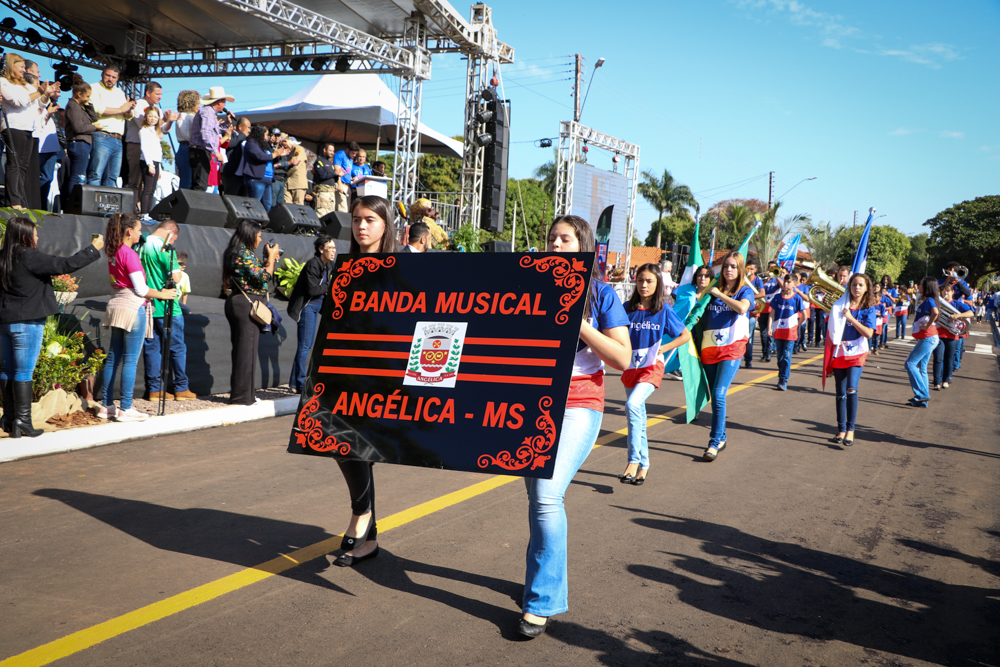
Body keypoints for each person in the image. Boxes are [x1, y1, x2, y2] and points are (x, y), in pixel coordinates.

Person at [519, 215, 631, 639]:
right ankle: (538, 587)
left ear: (583, 245)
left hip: (579, 404)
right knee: (537, 501)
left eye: (565, 239)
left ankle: (542, 602)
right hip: (532, 406)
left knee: (547, 496)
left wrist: (575, 320)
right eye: (551, 239)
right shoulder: (531, 288)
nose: (555, 245)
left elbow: (622, 358)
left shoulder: (601, 293)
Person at [329, 196, 399, 571]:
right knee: (343, 445)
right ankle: (367, 531)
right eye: (356, 220)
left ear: (385, 224)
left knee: (360, 447)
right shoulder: (345, 268)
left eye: (370, 220)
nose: (362, 227)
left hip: (382, 373)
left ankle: (361, 517)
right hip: (342, 369)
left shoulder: (399, 268)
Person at [0, 218, 102, 437]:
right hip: (27, 322)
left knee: (7, 370)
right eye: (35, 234)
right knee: (23, 371)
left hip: (5, 322)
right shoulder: (29, 256)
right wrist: (93, 249)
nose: (38, 238)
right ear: (25, 235)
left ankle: (9, 419)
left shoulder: (3, 257)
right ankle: (23, 421)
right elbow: (64, 265)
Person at [98, 214, 178, 422]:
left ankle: (106, 406)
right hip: (133, 308)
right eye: (139, 230)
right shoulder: (129, 254)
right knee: (130, 360)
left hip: (117, 305)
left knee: (114, 357)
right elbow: (141, 289)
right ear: (129, 232)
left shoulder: (113, 252)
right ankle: (125, 407)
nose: (141, 233)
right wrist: (163, 294)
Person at [619, 263, 690, 485]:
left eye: (649, 281)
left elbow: (684, 336)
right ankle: (645, 465)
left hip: (652, 368)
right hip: (631, 368)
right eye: (640, 280)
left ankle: (632, 460)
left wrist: (664, 348)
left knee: (632, 406)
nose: (644, 285)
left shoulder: (664, 310)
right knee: (637, 418)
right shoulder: (626, 309)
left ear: (658, 283)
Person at [696, 250, 754, 461]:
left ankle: (713, 442)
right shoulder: (712, 289)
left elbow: (741, 309)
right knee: (714, 395)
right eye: (726, 266)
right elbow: (697, 312)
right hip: (710, 348)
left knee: (719, 394)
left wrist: (719, 295)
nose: (729, 270)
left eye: (733, 266)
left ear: (740, 270)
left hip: (732, 348)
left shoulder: (744, 291)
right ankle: (721, 436)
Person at [222, 220, 280, 406]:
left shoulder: (237, 252)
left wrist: (267, 262)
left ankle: (245, 395)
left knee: (244, 352)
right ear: (250, 234)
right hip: (245, 305)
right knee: (246, 353)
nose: (260, 239)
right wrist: (271, 258)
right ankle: (242, 398)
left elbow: (254, 276)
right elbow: (264, 277)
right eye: (259, 235)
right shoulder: (242, 253)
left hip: (239, 302)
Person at [139, 220, 195, 401]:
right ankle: (181, 388)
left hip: (147, 303)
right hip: (168, 306)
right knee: (177, 347)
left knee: (152, 347)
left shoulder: (141, 245)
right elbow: (177, 278)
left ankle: (155, 389)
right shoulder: (166, 248)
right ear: (172, 234)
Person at [825, 273, 877, 446]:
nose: (857, 288)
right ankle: (840, 430)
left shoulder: (869, 308)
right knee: (840, 394)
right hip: (840, 352)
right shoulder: (840, 304)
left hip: (858, 353)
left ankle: (850, 431)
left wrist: (850, 318)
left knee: (851, 389)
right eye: (854, 284)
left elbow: (869, 333)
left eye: (861, 285)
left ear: (866, 288)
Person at [1, 53, 56, 208]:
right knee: (15, 164)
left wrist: (46, 94)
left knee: (23, 166)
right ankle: (13, 202)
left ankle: (19, 199)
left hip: (28, 128)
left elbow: (39, 104)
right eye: (21, 67)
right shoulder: (3, 82)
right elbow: (18, 101)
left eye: (25, 67)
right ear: (12, 66)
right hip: (14, 126)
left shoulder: (25, 85)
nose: (24, 70)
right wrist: (40, 92)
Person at [287, 234, 337, 394]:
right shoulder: (313, 265)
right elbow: (313, 290)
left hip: (318, 308)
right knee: (305, 346)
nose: (333, 251)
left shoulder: (328, 265)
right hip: (307, 308)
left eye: (335, 248)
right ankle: (301, 384)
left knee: (306, 346)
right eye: (330, 248)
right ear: (321, 249)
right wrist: (331, 284)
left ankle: (294, 383)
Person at [124, 81, 176, 208]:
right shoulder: (139, 105)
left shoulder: (157, 109)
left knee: (148, 184)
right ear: (148, 93)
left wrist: (169, 121)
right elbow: (144, 124)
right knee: (135, 180)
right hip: (136, 145)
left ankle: (143, 211)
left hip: (152, 151)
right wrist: (161, 120)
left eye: (161, 94)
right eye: (157, 94)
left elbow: (161, 130)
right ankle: (130, 209)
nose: (160, 97)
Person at [87, 65, 136, 187]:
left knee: (112, 177)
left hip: (118, 139)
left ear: (117, 79)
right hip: (102, 135)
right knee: (96, 174)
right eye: (108, 75)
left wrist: (129, 108)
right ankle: (91, 205)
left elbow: (128, 116)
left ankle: (107, 206)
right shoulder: (94, 88)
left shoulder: (119, 92)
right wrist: (121, 109)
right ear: (102, 74)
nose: (110, 79)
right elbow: (96, 109)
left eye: (113, 77)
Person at [903, 277, 941, 408]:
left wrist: (928, 325)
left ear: (927, 287)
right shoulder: (928, 300)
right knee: (922, 368)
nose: (918, 286)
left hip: (928, 338)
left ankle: (922, 394)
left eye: (921, 284)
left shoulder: (930, 300)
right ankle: (922, 400)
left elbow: (935, 313)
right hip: (930, 338)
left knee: (909, 364)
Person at [189, 86, 234, 191]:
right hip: (200, 151)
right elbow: (206, 132)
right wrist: (215, 152)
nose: (224, 105)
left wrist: (227, 123)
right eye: (224, 102)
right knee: (200, 184)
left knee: (200, 183)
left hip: (200, 151)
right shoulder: (208, 112)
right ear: (219, 102)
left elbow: (214, 130)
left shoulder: (210, 113)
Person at [767, 272, 807, 390]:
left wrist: (797, 325)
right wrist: (769, 327)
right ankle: (781, 375)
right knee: (779, 357)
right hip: (779, 331)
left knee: (786, 356)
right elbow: (771, 314)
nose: (785, 284)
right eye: (785, 281)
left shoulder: (796, 298)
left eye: (789, 282)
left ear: (794, 284)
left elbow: (804, 315)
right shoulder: (778, 297)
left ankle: (783, 380)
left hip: (791, 333)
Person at [931, 283, 973, 390]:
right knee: (938, 358)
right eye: (944, 291)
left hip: (952, 334)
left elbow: (971, 313)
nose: (946, 293)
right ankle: (936, 382)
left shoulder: (957, 304)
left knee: (949, 359)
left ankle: (945, 380)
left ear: (952, 292)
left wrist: (957, 316)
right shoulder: (937, 303)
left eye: (948, 291)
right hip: (938, 334)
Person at [239, 125, 288, 212]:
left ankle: (261, 224)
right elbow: (260, 156)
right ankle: (250, 222)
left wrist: (278, 155)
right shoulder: (251, 143)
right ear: (260, 134)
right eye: (266, 134)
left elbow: (269, 157)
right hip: (256, 178)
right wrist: (274, 154)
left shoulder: (264, 145)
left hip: (267, 179)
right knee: (254, 205)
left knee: (267, 207)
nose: (267, 137)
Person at [64, 77, 99, 189]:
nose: (88, 99)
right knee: (77, 176)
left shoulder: (80, 106)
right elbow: (79, 128)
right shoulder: (73, 106)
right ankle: (71, 203)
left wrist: (88, 104)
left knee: (79, 176)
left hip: (83, 144)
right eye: (87, 96)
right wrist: (94, 127)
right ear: (79, 94)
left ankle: (73, 202)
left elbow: (94, 118)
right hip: (79, 143)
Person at [137, 107, 163, 215]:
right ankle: (144, 213)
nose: (153, 119)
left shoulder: (156, 131)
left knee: (152, 189)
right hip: (148, 162)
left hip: (156, 162)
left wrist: (159, 168)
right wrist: (150, 164)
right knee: (147, 188)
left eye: (155, 117)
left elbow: (158, 150)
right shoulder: (144, 130)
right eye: (150, 116)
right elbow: (144, 148)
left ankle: (149, 212)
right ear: (146, 117)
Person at [173, 90, 200, 190]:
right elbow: (187, 135)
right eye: (198, 103)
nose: (199, 106)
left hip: (191, 149)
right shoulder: (183, 116)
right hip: (186, 148)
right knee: (186, 182)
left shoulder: (192, 116)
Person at [221, 116, 251, 197]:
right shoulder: (232, 134)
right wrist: (242, 135)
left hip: (243, 176)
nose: (249, 130)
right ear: (240, 126)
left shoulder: (246, 139)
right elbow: (230, 144)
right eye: (248, 128)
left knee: (242, 200)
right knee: (230, 198)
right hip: (231, 174)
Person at [312, 143, 344, 217]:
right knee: (321, 214)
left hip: (331, 193)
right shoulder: (319, 161)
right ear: (324, 150)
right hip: (323, 192)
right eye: (330, 150)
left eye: (333, 151)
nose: (332, 153)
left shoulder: (330, 163)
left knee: (330, 216)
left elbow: (332, 177)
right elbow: (321, 176)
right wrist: (334, 173)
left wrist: (338, 175)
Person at [757, 261, 780, 363]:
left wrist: (776, 276)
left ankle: (769, 354)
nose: (770, 269)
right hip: (763, 308)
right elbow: (758, 291)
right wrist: (766, 280)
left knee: (770, 333)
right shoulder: (762, 280)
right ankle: (764, 353)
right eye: (769, 267)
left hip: (773, 309)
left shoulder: (778, 280)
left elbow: (784, 287)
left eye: (773, 268)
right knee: (763, 333)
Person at [743, 260, 764, 369]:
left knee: (749, 337)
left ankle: (748, 360)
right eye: (748, 268)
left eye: (752, 268)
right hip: (741, 312)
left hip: (751, 313)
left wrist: (749, 298)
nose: (749, 271)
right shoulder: (742, 279)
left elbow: (762, 293)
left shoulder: (758, 281)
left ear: (755, 270)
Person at [332, 141, 359, 212]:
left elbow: (349, 170)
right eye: (353, 153)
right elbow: (337, 171)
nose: (354, 155)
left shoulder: (350, 158)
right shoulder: (340, 154)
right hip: (341, 184)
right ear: (348, 149)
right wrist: (339, 184)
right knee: (342, 210)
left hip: (348, 186)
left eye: (355, 154)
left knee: (347, 210)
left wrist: (354, 177)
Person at [283, 138, 308, 205]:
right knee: (288, 207)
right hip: (288, 184)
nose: (284, 144)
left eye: (285, 141)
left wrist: (285, 174)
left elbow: (296, 164)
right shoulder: (287, 151)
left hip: (298, 184)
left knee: (298, 208)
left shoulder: (298, 149)